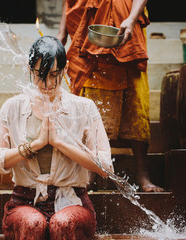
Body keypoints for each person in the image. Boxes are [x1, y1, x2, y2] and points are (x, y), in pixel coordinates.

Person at [0, 36, 114, 240]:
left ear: (66, 68)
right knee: (32, 223)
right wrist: (35, 145)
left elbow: (106, 167)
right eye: (41, 75)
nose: (48, 83)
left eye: (55, 75)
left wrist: (58, 143)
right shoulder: (13, 107)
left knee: (63, 223)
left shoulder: (84, 108)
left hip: (73, 201)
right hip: (24, 202)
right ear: (29, 69)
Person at [57, 0, 164, 192]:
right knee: (92, 103)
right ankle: (90, 174)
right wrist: (62, 34)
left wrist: (131, 19)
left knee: (136, 102)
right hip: (92, 27)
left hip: (126, 24)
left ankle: (142, 175)